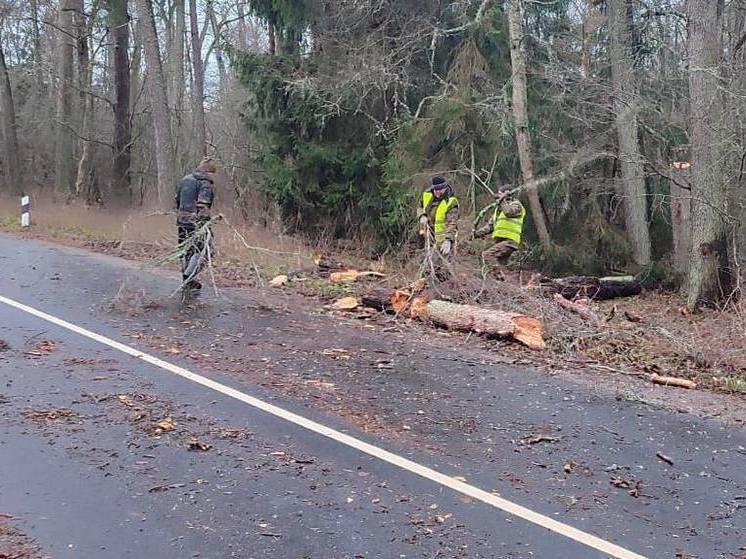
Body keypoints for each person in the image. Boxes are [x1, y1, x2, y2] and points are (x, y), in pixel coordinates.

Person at [175, 158, 216, 291]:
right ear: (209, 171)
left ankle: (187, 278)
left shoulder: (185, 179)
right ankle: (189, 275)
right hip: (196, 221)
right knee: (206, 248)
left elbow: (177, 199)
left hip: (182, 219)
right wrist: (206, 222)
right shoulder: (205, 183)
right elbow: (202, 204)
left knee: (186, 249)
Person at [474, 185, 526, 276]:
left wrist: (502, 200)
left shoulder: (517, 205)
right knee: (499, 265)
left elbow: (509, 212)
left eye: (500, 194)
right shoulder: (498, 210)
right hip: (500, 242)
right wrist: (475, 234)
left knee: (486, 255)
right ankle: (501, 283)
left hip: (510, 242)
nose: (498, 197)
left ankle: (499, 278)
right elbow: (490, 227)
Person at [418, 175, 460, 262]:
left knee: (443, 267)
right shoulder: (427, 195)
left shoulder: (451, 202)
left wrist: (448, 240)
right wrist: (422, 215)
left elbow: (452, 223)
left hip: (444, 240)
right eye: (435, 190)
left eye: (440, 190)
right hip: (429, 237)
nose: (437, 192)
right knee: (427, 263)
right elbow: (420, 207)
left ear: (445, 188)